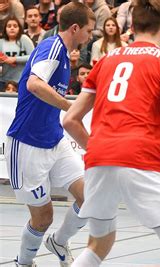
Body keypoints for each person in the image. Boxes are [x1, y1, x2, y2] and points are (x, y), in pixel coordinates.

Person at [62, 0, 160, 266]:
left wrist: (97, 147)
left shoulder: (105, 60)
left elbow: (71, 120)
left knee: (99, 242)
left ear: (132, 25)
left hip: (98, 159)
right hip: (140, 157)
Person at [4, 2, 95, 267]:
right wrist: (70, 105)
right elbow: (34, 84)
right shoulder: (53, 46)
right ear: (75, 28)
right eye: (88, 31)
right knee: (43, 218)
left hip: (54, 139)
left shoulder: (65, 55)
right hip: (27, 144)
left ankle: (58, 241)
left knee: (90, 199)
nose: (90, 36)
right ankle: (24, 263)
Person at [0, 17, 35, 88]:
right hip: (4, 81)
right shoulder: (1, 42)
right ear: (5, 29)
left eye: (15, 26)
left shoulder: (24, 39)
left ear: (19, 28)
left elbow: (33, 56)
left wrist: (15, 59)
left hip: (23, 80)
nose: (12, 28)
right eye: (9, 26)